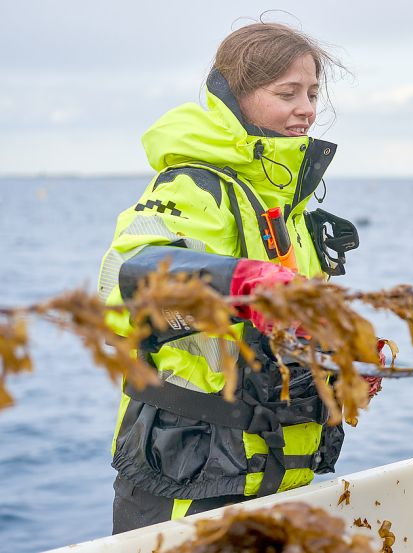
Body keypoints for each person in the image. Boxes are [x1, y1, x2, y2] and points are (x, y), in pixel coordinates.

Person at [96, 22, 373, 533]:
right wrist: (236, 281)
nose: (307, 107)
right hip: (188, 473)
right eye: (286, 93)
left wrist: (342, 359)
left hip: (278, 471)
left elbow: (293, 328)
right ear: (234, 99)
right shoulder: (192, 186)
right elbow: (122, 287)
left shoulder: (289, 206)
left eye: (312, 93)